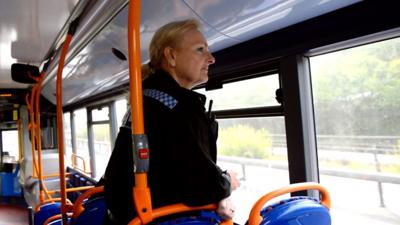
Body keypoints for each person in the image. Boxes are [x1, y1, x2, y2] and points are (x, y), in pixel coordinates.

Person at [103, 19, 240, 225]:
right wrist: (227, 180)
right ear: (171, 56)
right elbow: (200, 186)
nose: (211, 58)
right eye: (200, 50)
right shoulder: (178, 108)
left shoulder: (148, 99)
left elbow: (178, 168)